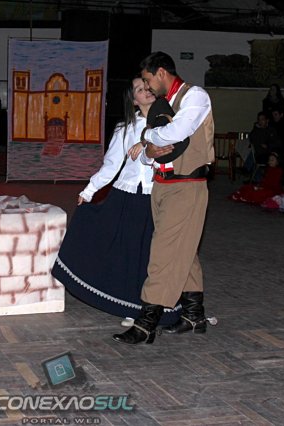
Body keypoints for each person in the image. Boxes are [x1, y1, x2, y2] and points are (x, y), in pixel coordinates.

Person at [51, 77, 179, 327]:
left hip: (159, 195)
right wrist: (90, 190)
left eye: (147, 86)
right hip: (127, 196)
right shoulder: (125, 128)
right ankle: (131, 306)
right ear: (133, 100)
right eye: (139, 90)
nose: (145, 91)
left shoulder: (170, 124)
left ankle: (160, 306)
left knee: (155, 253)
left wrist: (148, 146)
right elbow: (111, 165)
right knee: (128, 251)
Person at [113, 51, 214, 345]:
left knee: (162, 254)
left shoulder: (195, 96)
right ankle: (194, 315)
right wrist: (149, 149)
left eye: (147, 80)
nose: (147, 86)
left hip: (187, 185)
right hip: (162, 186)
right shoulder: (162, 104)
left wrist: (147, 136)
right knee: (183, 250)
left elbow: (177, 132)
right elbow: (148, 157)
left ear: (160, 73)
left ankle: (146, 324)